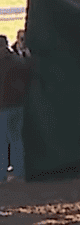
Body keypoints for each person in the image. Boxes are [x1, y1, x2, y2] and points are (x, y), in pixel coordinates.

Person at [0, 35, 30, 183]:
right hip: (18, 105)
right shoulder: (18, 60)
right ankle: (19, 172)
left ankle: (1, 174)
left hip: (3, 107)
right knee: (16, 140)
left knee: (2, 142)